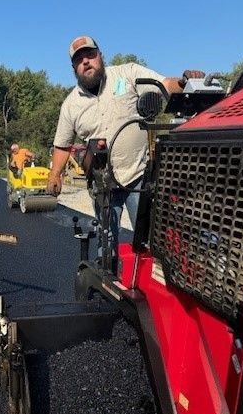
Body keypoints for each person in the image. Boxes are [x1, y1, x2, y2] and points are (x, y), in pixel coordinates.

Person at [48, 34, 204, 269]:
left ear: (100, 56)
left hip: (137, 176)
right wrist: (55, 174)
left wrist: (183, 83)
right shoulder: (71, 105)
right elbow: (62, 144)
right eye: (79, 60)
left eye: (90, 54)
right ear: (74, 68)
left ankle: (150, 283)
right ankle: (107, 283)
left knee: (149, 237)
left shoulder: (127, 74)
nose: (86, 62)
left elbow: (164, 85)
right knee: (106, 238)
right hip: (102, 182)